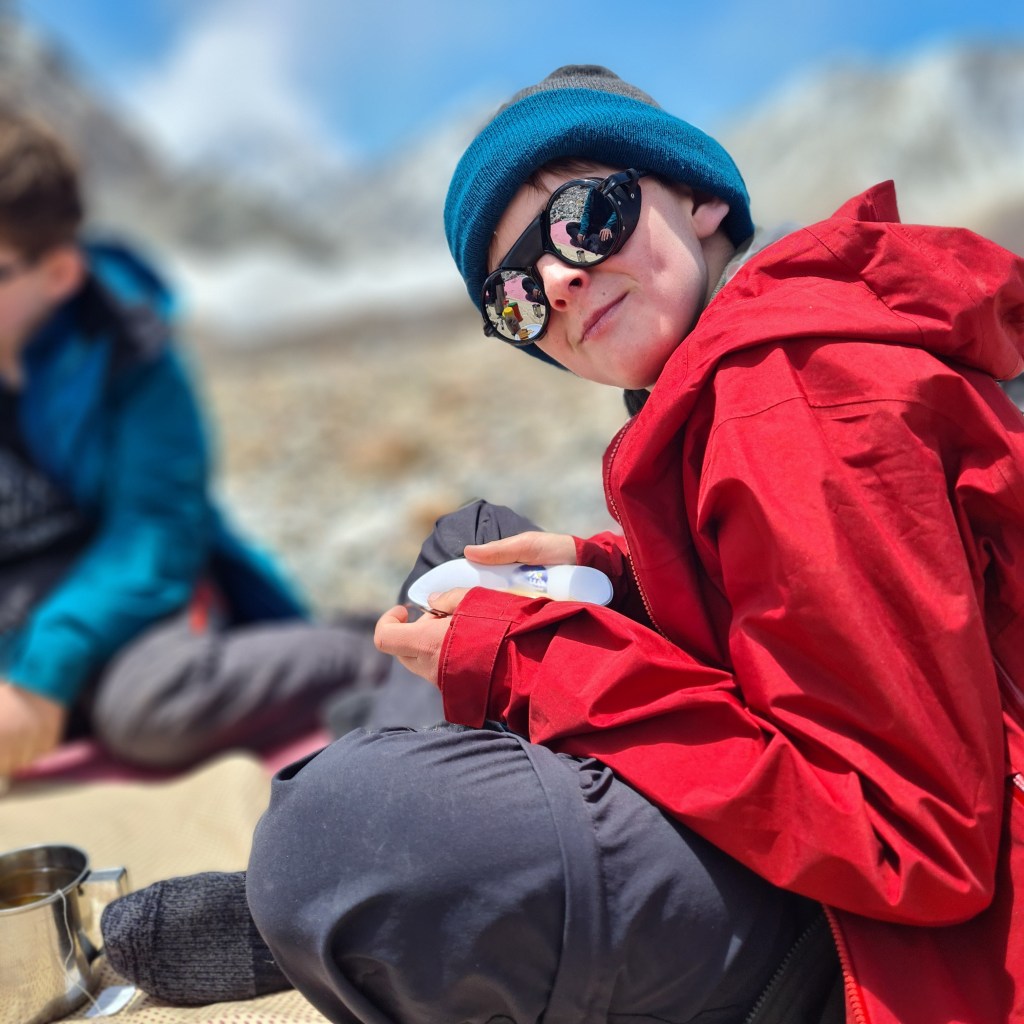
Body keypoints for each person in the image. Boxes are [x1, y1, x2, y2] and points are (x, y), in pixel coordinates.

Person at [102, 65, 1024, 1023]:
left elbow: (918, 846)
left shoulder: (787, 400)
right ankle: (409, 903)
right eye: (514, 296)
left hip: (878, 948)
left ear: (699, 196)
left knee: (332, 838)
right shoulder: (734, 389)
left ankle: (376, 902)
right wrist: (614, 582)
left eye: (583, 219)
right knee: (472, 551)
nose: (558, 280)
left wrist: (542, 662)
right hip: (824, 862)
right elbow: (794, 628)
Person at [0, 108, 390, 777]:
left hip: (130, 603)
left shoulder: (130, 350)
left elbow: (153, 532)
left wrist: (38, 678)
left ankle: (374, 653)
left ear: (58, 275)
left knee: (151, 713)